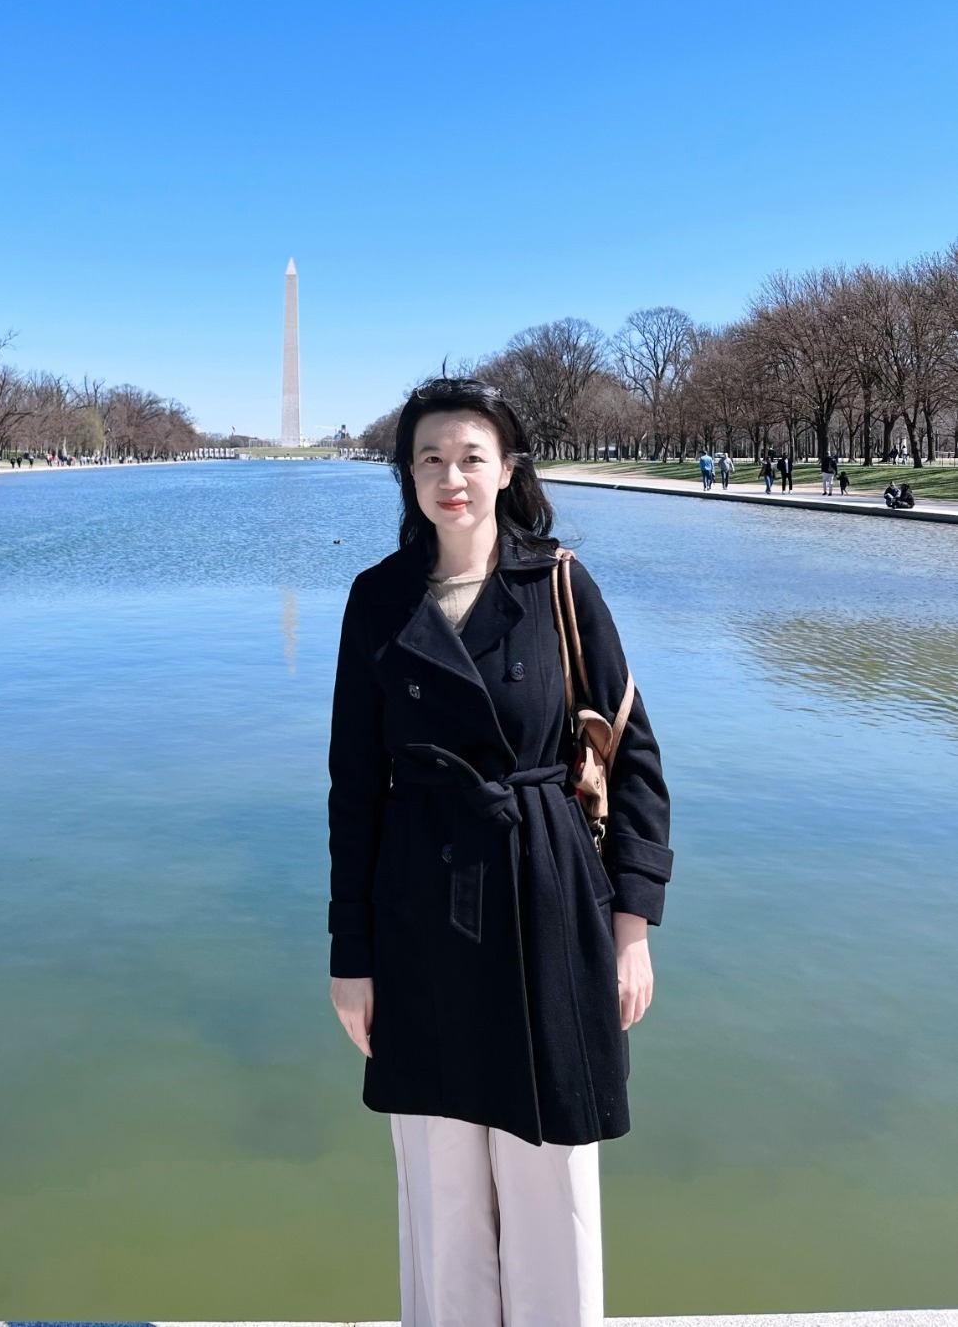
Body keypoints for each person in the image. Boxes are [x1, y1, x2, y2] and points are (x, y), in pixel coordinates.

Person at [327, 376, 675, 1327]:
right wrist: (349, 958)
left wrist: (632, 926)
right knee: (440, 1186)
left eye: (472, 457)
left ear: (508, 467)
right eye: (431, 459)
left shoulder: (560, 581)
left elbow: (634, 757)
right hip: (419, 900)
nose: (452, 478)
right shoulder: (377, 600)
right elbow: (353, 791)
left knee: (551, 1174)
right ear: (406, 475)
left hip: (548, 892)